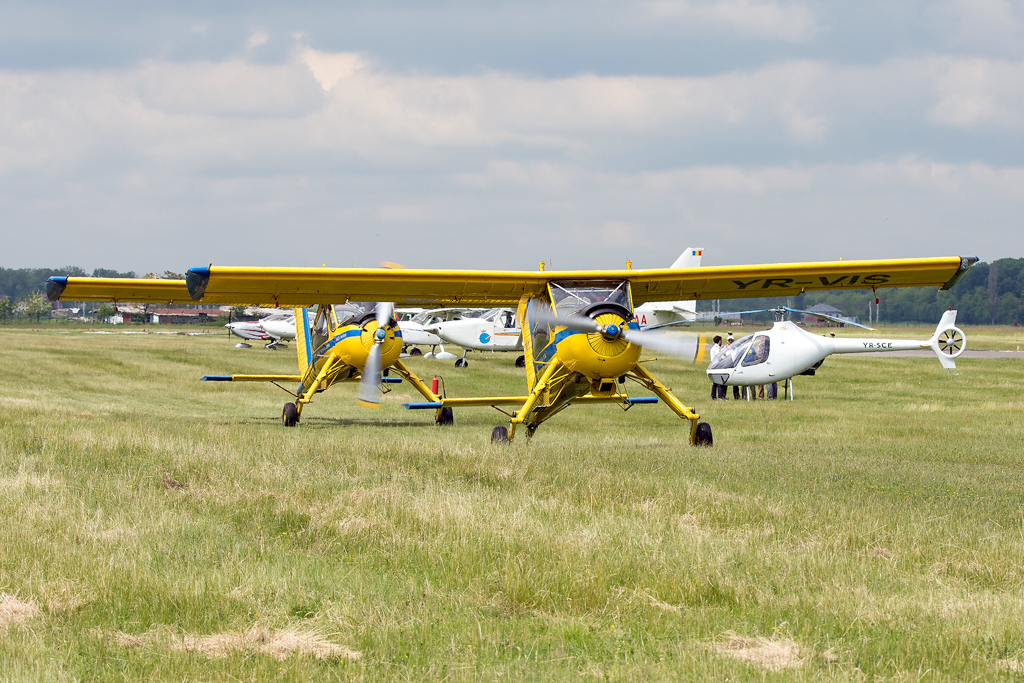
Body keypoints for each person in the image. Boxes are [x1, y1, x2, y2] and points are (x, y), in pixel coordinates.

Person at [709, 335, 726, 400]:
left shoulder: (714, 347)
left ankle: (714, 396)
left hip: (714, 365)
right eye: (721, 340)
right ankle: (720, 396)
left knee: (715, 382)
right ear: (719, 341)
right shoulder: (716, 347)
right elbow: (718, 354)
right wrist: (724, 352)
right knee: (719, 382)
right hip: (716, 365)